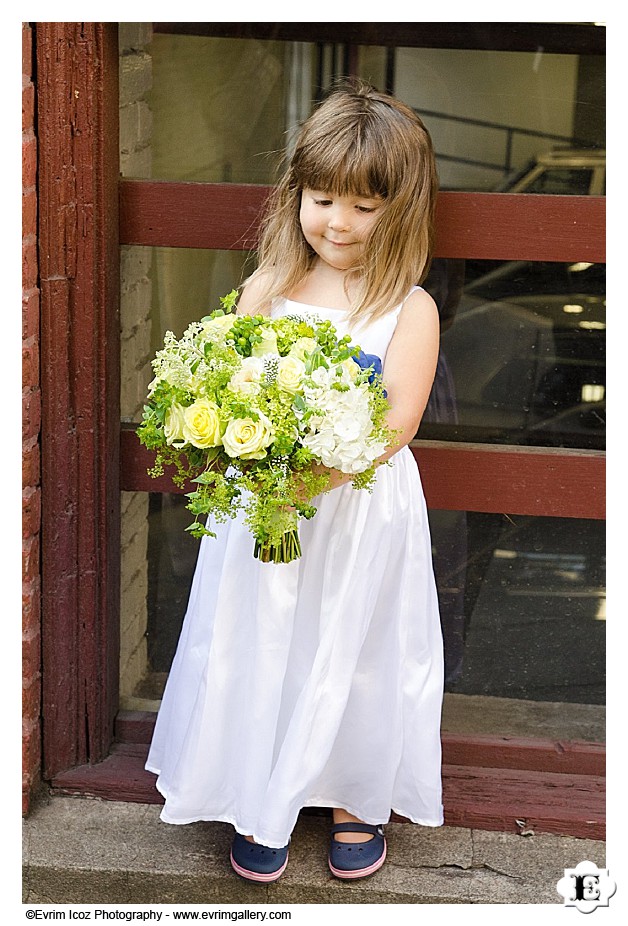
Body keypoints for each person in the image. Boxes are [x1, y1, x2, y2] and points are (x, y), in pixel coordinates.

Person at [146, 79, 445, 884]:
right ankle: (258, 791)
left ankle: (355, 795)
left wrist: (304, 481)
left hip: (357, 513)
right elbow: (226, 384)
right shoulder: (266, 291)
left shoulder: (406, 307)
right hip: (265, 510)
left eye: (362, 206)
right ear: (297, 195)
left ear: (401, 210)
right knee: (263, 639)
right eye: (322, 198)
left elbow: (396, 424)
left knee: (358, 646)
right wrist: (250, 464)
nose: (337, 222)